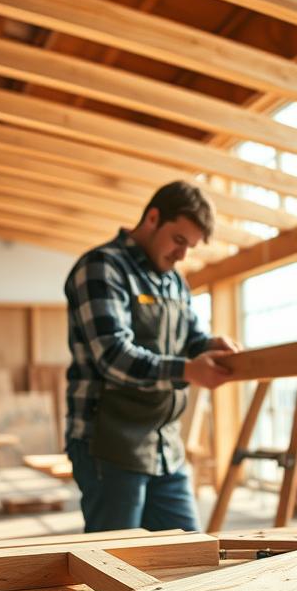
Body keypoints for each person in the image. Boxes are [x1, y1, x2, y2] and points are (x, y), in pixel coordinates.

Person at [64, 181, 239, 533]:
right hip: (108, 444)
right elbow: (113, 356)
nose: (182, 255)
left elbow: (189, 339)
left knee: (191, 554)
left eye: (189, 247)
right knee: (114, 561)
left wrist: (208, 346)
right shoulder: (101, 268)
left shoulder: (175, 282)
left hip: (164, 444)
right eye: (178, 240)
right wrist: (189, 369)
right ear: (153, 218)